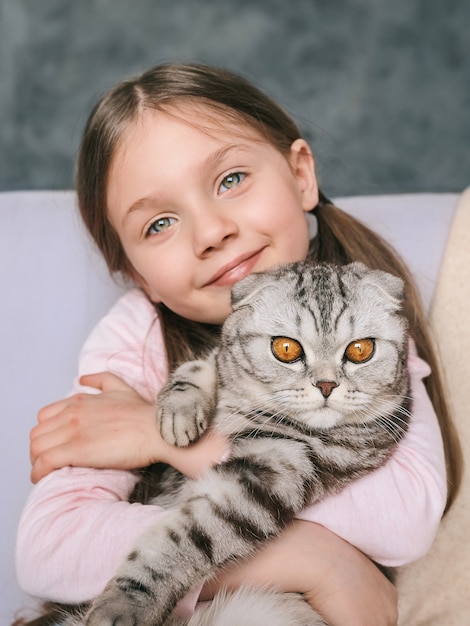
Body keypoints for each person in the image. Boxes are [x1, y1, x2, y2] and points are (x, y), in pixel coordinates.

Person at [15, 62, 462, 626]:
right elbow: (48, 549)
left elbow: (404, 522)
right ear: (138, 276)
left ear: (302, 175)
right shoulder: (138, 336)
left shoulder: (367, 327)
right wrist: (320, 563)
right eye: (160, 224)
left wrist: (163, 437)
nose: (211, 233)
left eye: (230, 180)